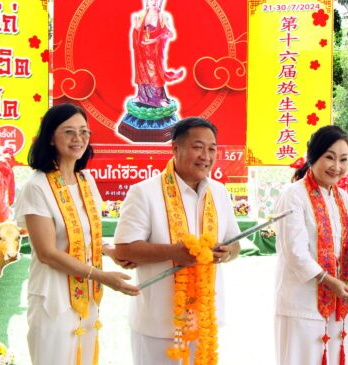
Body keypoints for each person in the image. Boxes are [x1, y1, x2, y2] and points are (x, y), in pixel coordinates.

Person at [15, 103, 139, 365]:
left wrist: (109, 251)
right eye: (69, 132)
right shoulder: (37, 186)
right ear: (50, 137)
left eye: (84, 132)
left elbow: (85, 233)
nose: (78, 139)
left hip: (87, 296)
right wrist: (101, 276)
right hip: (54, 297)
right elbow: (47, 253)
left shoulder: (86, 180)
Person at [114, 117, 241, 365]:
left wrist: (226, 253)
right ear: (175, 149)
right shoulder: (144, 192)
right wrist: (174, 252)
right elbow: (124, 248)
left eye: (212, 148)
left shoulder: (220, 192)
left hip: (205, 323)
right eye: (198, 146)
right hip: (158, 325)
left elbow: (235, 244)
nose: (206, 155)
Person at [273, 125, 348, 365]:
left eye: (343, 159)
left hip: (338, 307)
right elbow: (296, 253)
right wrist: (328, 280)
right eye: (329, 157)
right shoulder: (293, 195)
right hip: (301, 305)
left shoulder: (343, 198)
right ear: (313, 157)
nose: (337, 167)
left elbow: (342, 241)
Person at [131, 0, 184, 107]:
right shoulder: (141, 16)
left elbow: (170, 34)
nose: (154, 2)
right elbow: (137, 33)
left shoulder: (163, 17)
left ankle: (159, 98)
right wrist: (136, 28)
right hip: (141, 51)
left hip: (154, 52)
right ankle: (142, 96)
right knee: (141, 72)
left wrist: (155, 40)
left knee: (155, 73)